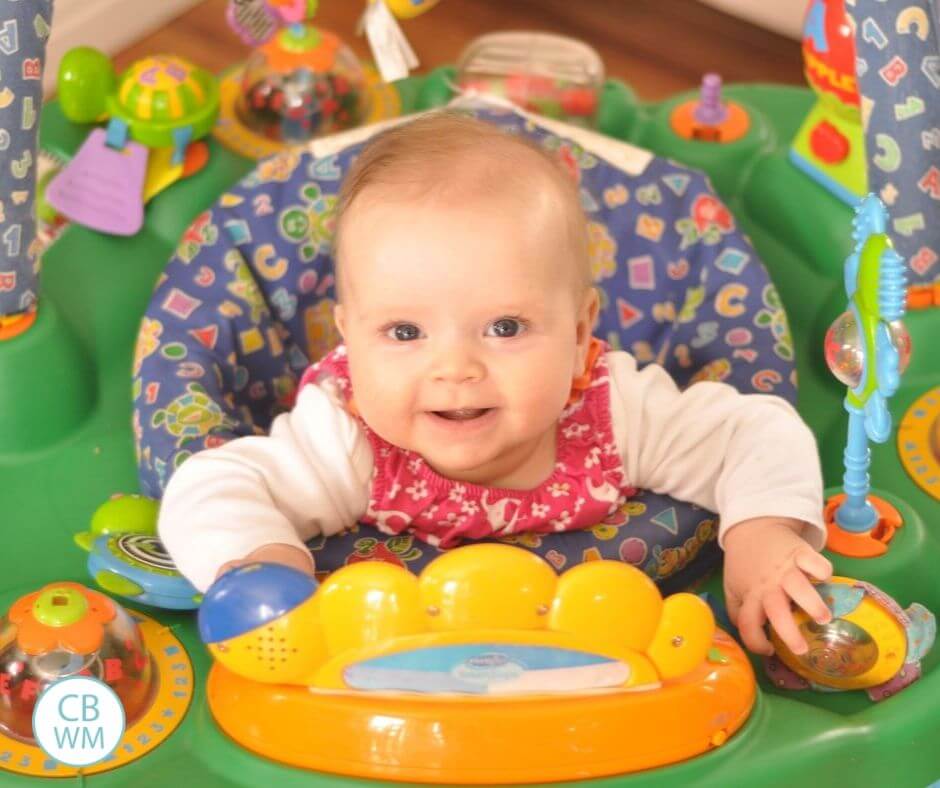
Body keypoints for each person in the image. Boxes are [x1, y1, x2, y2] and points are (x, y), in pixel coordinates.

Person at [158, 111, 833, 657]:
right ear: (349, 338)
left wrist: (763, 535)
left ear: (578, 336)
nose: (455, 369)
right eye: (403, 333)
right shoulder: (347, 437)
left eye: (505, 328)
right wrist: (267, 560)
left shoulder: (612, 410)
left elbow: (754, 429)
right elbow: (213, 483)